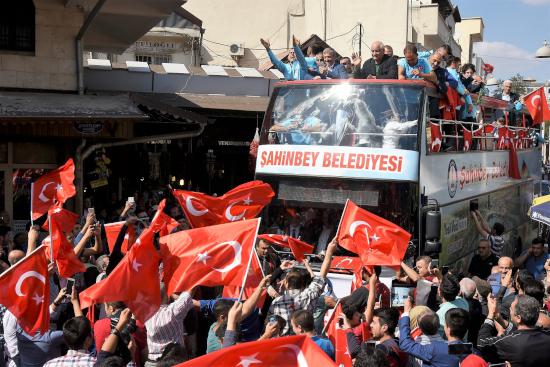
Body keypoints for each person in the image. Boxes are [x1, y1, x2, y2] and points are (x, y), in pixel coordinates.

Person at [268, 238, 336, 335]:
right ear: (302, 284)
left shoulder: (276, 302)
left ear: (286, 284)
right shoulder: (309, 295)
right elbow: (322, 275)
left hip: (283, 343)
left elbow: (271, 326)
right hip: (304, 342)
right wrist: (329, 251)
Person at [478, 294, 550, 366]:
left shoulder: (509, 342)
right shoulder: (546, 335)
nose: (509, 309)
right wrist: (498, 317)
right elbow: (523, 333)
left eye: (511, 308)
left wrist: (490, 314)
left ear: (518, 318)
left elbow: (482, 344)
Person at [399, 297, 463, 367]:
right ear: (439, 326)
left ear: (419, 328)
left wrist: (406, 313)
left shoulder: (431, 349)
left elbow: (405, 344)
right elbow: (470, 350)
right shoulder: (457, 348)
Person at [144, 285, 192, 365]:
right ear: (167, 297)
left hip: (151, 363)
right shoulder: (173, 312)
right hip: (173, 362)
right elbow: (188, 293)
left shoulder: (145, 313)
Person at [436, 274, 469, 339]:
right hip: (464, 344)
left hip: (449, 347)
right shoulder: (463, 302)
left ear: (439, 291)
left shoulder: (439, 314)